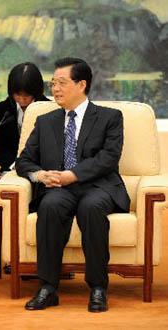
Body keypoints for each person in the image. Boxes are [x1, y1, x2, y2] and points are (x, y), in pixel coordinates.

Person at [16, 58, 130, 313]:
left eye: (61, 83)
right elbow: (23, 161)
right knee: (50, 206)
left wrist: (72, 175)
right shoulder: (46, 122)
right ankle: (47, 287)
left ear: (81, 85)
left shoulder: (110, 117)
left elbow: (108, 158)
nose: (55, 88)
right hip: (59, 189)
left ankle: (98, 288)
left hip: (98, 186)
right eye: (53, 83)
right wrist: (40, 176)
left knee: (91, 208)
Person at [0, 62, 49, 173]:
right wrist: (14, 165)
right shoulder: (2, 109)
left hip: (42, 171)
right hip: (10, 170)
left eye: (26, 95)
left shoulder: (48, 108)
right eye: (17, 94)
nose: (21, 99)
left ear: (36, 90)